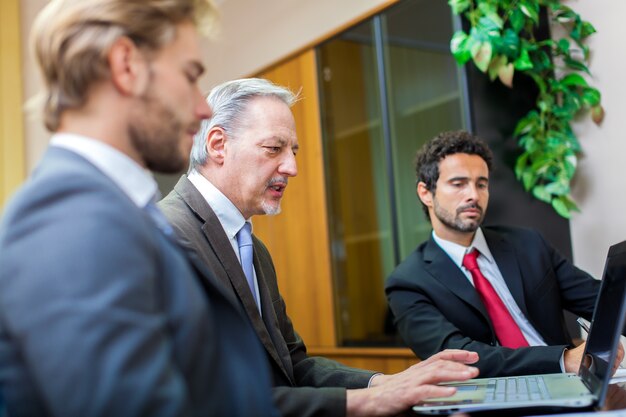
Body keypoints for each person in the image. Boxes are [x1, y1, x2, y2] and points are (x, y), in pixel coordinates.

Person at [0, 2, 278, 416]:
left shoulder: (116, 211)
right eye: (189, 76)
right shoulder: (69, 217)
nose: (203, 109)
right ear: (126, 64)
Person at [159, 78, 480, 417]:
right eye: (273, 149)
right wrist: (368, 402)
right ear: (218, 144)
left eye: (293, 151)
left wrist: (385, 383)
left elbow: (293, 365)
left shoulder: (254, 249)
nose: (292, 168)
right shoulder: (165, 236)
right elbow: (204, 394)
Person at [385, 130, 623, 378]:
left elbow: (601, 301)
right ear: (425, 193)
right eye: (458, 184)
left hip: (571, 383)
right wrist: (564, 359)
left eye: (481, 184)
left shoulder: (528, 244)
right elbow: (457, 356)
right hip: (492, 395)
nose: (473, 195)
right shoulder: (407, 283)